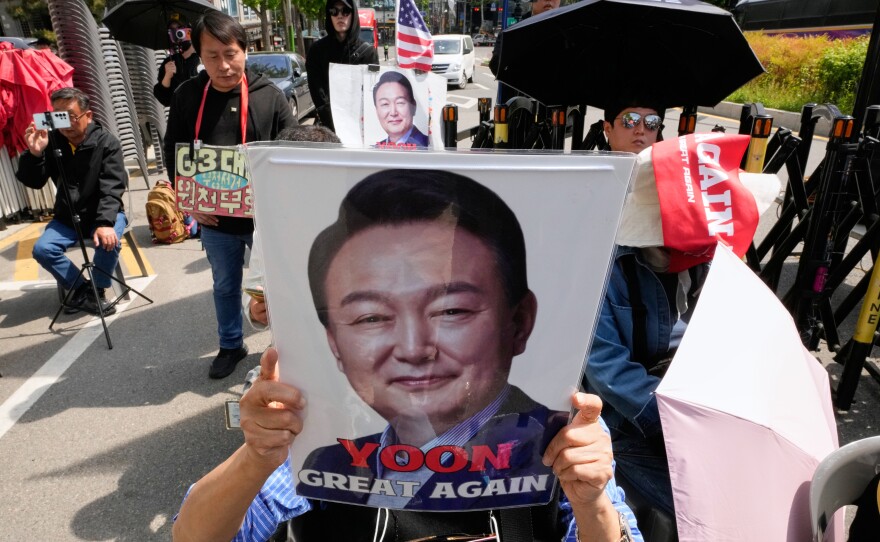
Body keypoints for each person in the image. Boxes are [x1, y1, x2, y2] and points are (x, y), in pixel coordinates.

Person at [173, 348, 640, 541]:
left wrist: (592, 502)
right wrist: (257, 457)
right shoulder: (334, 430)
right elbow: (196, 535)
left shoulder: (558, 424)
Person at [300, 170, 564, 509]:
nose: (413, 350)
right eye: (371, 317)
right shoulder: (322, 464)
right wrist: (257, 457)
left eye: (451, 311)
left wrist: (593, 504)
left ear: (519, 322)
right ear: (334, 343)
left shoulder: (562, 448)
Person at [583, 117, 778, 527]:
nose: (709, 244)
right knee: (710, 514)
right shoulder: (601, 268)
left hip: (698, 403)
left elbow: (738, 337)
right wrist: (682, 426)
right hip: (630, 422)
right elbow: (607, 371)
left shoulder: (710, 258)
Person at [164, 10, 295, 379]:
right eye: (212, 56)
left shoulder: (269, 96)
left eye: (230, 54)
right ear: (199, 56)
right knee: (224, 285)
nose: (222, 65)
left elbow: (293, 149)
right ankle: (231, 344)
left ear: (245, 51)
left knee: (277, 287)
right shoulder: (187, 95)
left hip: (265, 220)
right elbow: (173, 149)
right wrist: (188, 201)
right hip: (214, 218)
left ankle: (287, 349)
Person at [16, 87, 126, 316]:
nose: (65, 124)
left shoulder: (107, 142)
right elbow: (34, 181)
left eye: (70, 116)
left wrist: (105, 223)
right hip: (67, 216)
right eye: (58, 116)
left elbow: (112, 187)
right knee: (42, 249)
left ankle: (97, 290)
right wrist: (35, 154)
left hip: (103, 213)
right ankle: (84, 290)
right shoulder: (52, 141)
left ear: (88, 115)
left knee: (109, 241)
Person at [242, 125, 342, 330]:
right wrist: (254, 309)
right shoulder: (270, 229)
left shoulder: (361, 227)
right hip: (295, 339)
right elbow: (254, 285)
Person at [306, 0, 379, 130]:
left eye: (345, 11)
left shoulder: (368, 53)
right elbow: (318, 92)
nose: (339, 16)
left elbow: (371, 92)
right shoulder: (316, 51)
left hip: (359, 125)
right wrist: (332, 121)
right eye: (334, 11)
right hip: (328, 127)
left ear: (353, 14)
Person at [488, 0, 560, 104]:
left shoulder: (571, 31)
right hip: (520, 105)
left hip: (559, 106)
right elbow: (496, 65)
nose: (549, 1)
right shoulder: (514, 32)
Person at [153, 16, 202, 107]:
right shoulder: (170, 62)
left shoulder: (203, 59)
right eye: (173, 30)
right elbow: (165, 99)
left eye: (180, 28)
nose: (177, 33)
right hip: (179, 113)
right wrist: (167, 76)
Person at [371, 71, 429, 148]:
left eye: (400, 102)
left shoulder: (428, 146)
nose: (393, 113)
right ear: (377, 111)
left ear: (413, 106)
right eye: (385, 104)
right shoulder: (375, 150)